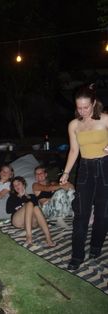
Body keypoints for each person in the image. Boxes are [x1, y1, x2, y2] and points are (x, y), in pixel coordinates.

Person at [60, 84, 108, 270]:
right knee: (81, 215)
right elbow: (74, 150)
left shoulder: (104, 119)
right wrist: (65, 172)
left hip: (105, 167)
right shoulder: (74, 124)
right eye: (79, 107)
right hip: (85, 169)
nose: (82, 111)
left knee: (103, 215)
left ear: (93, 103)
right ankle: (77, 255)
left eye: (85, 107)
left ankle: (96, 246)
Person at [6, 176, 56, 247]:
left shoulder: (32, 196)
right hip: (18, 221)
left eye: (18, 183)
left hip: (32, 223)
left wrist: (24, 197)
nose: (17, 186)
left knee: (35, 208)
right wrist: (20, 198)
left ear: (23, 184)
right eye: (14, 185)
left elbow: (36, 211)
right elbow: (8, 210)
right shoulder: (12, 197)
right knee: (29, 204)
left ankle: (48, 238)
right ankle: (29, 237)